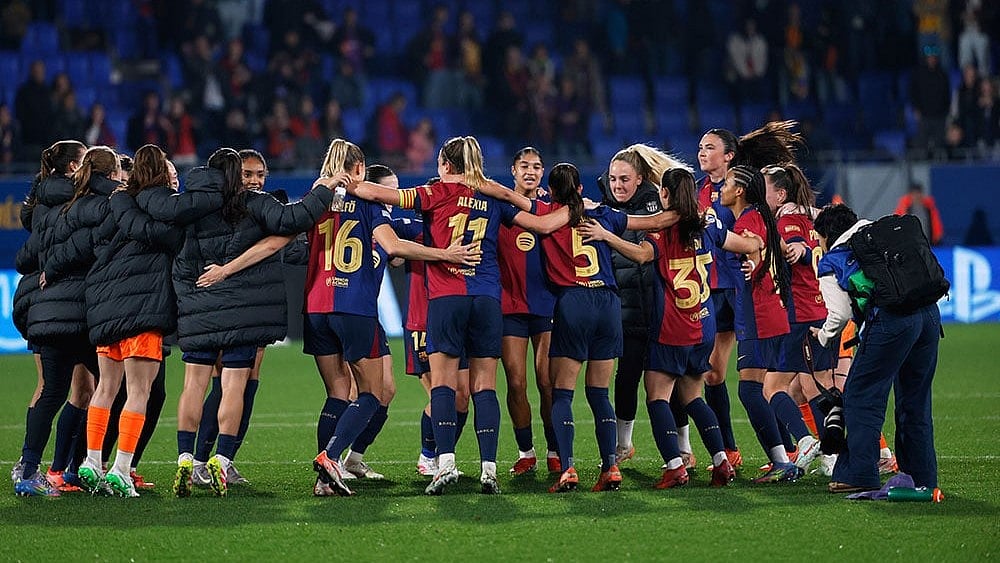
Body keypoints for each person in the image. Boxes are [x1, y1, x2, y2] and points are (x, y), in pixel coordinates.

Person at [345, 136, 569, 495]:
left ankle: (444, 463)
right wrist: (576, 208)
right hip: (487, 299)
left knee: (444, 385)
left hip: (447, 299)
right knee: (484, 386)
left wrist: (344, 180)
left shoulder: (435, 192)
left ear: (445, 165)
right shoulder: (494, 196)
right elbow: (543, 226)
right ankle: (489, 469)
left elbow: (377, 194)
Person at [138, 147, 336, 497]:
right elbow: (296, 219)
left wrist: (190, 295)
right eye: (247, 174)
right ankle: (222, 459)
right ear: (235, 174)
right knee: (233, 386)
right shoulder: (253, 205)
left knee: (194, 385)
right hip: (242, 310)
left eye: (260, 175)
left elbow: (178, 257)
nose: (254, 181)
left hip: (200, 309)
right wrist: (325, 186)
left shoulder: (189, 207)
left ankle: (186, 457)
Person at [308, 140, 481, 497]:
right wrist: (444, 252)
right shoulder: (372, 206)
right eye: (390, 193)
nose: (394, 199)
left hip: (316, 306)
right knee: (370, 393)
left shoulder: (318, 199)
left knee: (346, 391)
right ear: (361, 174)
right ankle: (332, 457)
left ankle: (336, 469)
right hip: (355, 306)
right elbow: (394, 244)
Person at [579, 167, 764, 489]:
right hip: (703, 325)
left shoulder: (663, 233)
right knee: (693, 397)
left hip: (672, 327)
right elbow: (748, 245)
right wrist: (757, 251)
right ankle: (721, 461)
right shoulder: (709, 225)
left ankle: (675, 465)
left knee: (657, 397)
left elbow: (639, 255)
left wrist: (606, 236)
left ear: (664, 194)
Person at [812, 204, 942, 494]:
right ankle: (921, 477)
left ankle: (859, 473)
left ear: (826, 235)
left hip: (891, 321)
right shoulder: (881, 232)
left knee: (860, 395)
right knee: (915, 401)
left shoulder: (833, 258)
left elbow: (840, 314)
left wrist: (823, 336)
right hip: (929, 315)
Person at [695, 122, 801, 472]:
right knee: (712, 374)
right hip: (713, 289)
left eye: (709, 147)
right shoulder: (698, 191)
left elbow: (764, 231)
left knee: (761, 379)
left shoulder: (746, 190)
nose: (701, 153)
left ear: (728, 156)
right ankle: (730, 449)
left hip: (747, 293)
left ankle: (787, 449)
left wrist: (784, 248)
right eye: (700, 147)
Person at [596, 144, 688, 467]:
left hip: (663, 310)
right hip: (624, 310)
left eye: (624, 179)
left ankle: (685, 447)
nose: (617, 185)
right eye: (613, 179)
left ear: (639, 180)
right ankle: (624, 444)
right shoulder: (602, 207)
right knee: (627, 378)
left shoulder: (662, 205)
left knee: (669, 381)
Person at [13, 140, 91, 497]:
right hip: (75, 309)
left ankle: (31, 469)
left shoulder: (39, 207)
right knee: (117, 387)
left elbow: (24, 259)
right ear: (75, 167)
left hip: (43, 311)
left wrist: (48, 264)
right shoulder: (80, 204)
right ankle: (75, 467)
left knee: (52, 389)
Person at [719, 165, 799, 483]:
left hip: (759, 315)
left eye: (725, 183)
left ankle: (784, 459)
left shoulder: (748, 221)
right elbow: (774, 247)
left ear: (739, 190)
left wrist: (753, 263)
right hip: (773, 311)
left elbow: (751, 248)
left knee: (751, 391)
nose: (719, 189)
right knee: (770, 389)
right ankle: (791, 452)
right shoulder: (761, 216)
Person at [760, 164, 825, 472]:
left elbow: (795, 244)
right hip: (821, 309)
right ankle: (834, 456)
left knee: (771, 387)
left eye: (765, 188)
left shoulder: (786, 219)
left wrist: (795, 247)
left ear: (781, 193)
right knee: (814, 387)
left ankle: (805, 440)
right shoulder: (811, 217)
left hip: (798, 313)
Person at [498, 147, 558, 476]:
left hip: (546, 305)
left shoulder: (551, 208)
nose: (531, 172)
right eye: (525, 166)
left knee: (547, 381)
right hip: (511, 308)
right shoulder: (499, 209)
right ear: (513, 171)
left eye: (537, 166)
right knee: (517, 382)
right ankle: (526, 451)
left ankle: (553, 449)